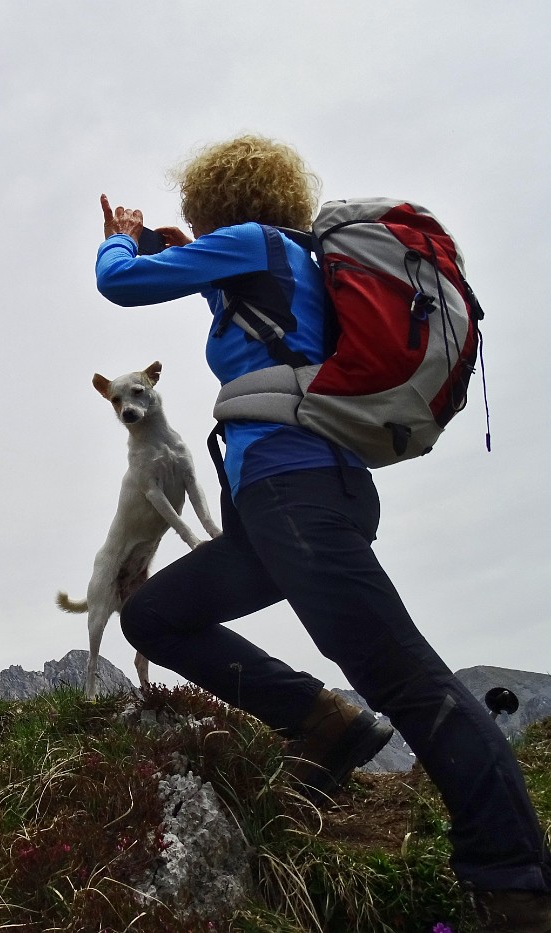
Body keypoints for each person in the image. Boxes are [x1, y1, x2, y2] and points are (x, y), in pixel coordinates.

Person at [95, 134, 551, 931]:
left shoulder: (250, 247)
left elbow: (122, 285)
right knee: (155, 616)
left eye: (198, 212)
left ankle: (512, 882)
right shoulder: (287, 261)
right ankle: (326, 723)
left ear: (217, 202)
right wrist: (183, 248)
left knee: (406, 677)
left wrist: (122, 238)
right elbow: (243, 308)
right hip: (286, 503)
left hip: (295, 495)